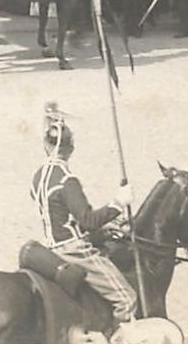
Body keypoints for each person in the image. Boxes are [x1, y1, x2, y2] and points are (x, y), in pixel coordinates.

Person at [31, 104, 137, 328]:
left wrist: (106, 227)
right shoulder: (67, 180)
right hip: (72, 250)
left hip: (49, 246)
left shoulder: (38, 176)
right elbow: (86, 220)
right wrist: (118, 203)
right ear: (71, 148)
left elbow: (58, 214)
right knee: (127, 298)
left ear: (46, 146)